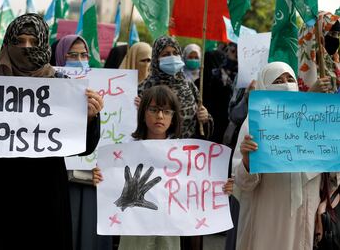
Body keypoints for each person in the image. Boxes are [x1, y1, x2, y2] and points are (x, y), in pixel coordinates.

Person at [0, 14, 102, 250]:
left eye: (33, 41)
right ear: (8, 44)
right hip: (2, 190)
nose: (26, 48)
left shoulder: (62, 84)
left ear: (43, 44)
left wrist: (90, 118)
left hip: (47, 191)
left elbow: (85, 146)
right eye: (20, 41)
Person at [96, 85, 233, 250]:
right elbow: (111, 187)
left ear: (173, 117)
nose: (160, 116)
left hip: (170, 227)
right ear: (143, 113)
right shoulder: (125, 150)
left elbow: (200, 186)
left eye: (167, 111)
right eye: (153, 109)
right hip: (135, 227)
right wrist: (99, 177)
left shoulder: (185, 154)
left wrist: (221, 188)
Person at [233, 62, 321, 250]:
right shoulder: (253, 124)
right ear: (265, 86)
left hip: (304, 213)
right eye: (277, 81)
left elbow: (324, 174)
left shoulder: (313, 122)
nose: (286, 84)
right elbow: (241, 182)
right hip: (266, 215)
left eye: (290, 79)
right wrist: (248, 161)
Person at [53, 34, 112, 250]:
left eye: (84, 55)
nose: (79, 60)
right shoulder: (47, 88)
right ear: (60, 56)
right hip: (59, 185)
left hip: (93, 181)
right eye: (72, 55)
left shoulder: (98, 88)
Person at [139, 35, 213, 140]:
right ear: (156, 58)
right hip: (153, 150)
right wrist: (139, 110)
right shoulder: (143, 89)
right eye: (166, 54)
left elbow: (202, 127)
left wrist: (205, 118)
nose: (172, 57)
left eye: (175, 53)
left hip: (185, 151)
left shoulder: (189, 86)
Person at [298, 11, 340, 92]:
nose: (336, 38)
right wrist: (312, 92)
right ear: (315, 36)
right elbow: (292, 102)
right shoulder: (294, 66)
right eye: (331, 34)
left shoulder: (335, 64)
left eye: (337, 34)